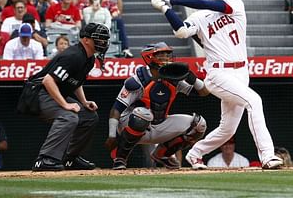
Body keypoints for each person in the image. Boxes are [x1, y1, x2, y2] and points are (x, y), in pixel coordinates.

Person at [151, 0, 283, 170]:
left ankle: (195, 154)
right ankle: (267, 156)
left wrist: (173, 0)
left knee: (227, 129)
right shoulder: (198, 16)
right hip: (218, 73)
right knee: (254, 101)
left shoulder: (235, 4)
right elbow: (180, 32)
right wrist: (166, 9)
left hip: (241, 71)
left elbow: (212, 6)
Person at [107, 42, 208, 170]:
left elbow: (204, 92)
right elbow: (116, 109)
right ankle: (120, 158)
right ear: (150, 57)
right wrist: (112, 135)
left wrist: (192, 77)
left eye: (168, 54)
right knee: (143, 114)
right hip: (131, 124)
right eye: (161, 55)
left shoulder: (174, 77)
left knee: (199, 124)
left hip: (159, 123)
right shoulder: (138, 79)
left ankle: (162, 155)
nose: (166, 58)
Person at [29, 22, 110, 171]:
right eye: (99, 39)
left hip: (54, 93)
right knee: (69, 116)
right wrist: (66, 105)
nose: (103, 43)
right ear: (86, 39)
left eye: (105, 40)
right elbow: (48, 80)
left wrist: (84, 102)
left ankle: (70, 159)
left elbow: (76, 82)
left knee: (89, 117)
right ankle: (45, 159)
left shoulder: (90, 59)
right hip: (38, 93)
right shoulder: (74, 55)